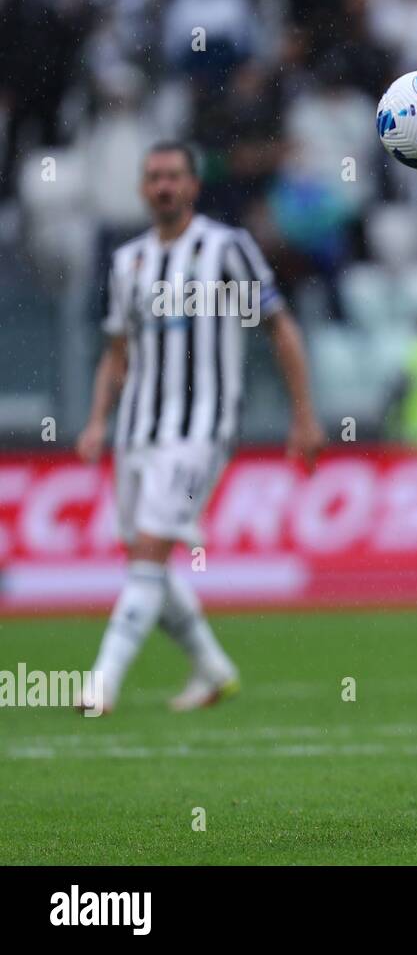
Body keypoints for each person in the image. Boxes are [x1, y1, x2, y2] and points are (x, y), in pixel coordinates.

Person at [75, 141, 325, 714]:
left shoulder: (226, 249)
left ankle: (101, 683)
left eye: (173, 176)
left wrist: (304, 414)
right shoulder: (128, 261)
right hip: (135, 431)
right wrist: (96, 422)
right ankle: (213, 669)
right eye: (153, 176)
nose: (163, 186)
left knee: (147, 557)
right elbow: (116, 353)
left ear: (193, 186)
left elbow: (279, 327)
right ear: (144, 189)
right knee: (147, 558)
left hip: (201, 429)